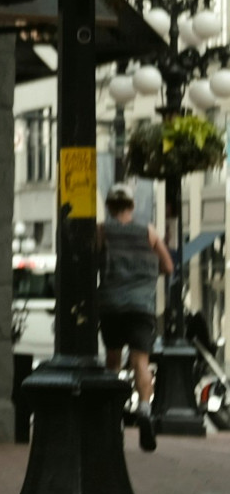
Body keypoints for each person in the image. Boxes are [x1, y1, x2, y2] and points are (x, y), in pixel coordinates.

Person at [99, 185, 172, 453]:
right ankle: (143, 410)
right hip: (142, 306)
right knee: (141, 362)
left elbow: (89, 259)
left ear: (108, 207)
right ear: (131, 206)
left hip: (111, 305)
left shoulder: (102, 231)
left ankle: (113, 417)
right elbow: (167, 266)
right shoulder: (149, 232)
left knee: (113, 361)